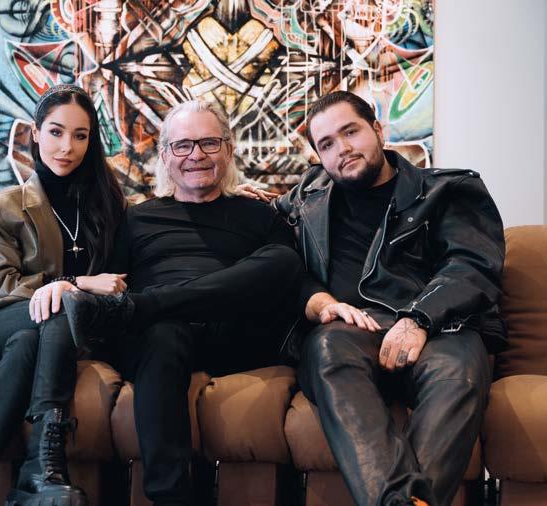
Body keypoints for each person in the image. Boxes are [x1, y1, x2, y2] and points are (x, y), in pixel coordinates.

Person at [266, 91, 505, 506]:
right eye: (327, 144)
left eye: (350, 132)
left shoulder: (447, 190)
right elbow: (272, 252)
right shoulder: (306, 200)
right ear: (319, 158)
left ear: (377, 130)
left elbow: (472, 265)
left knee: (458, 374)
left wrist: (419, 318)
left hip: (440, 329)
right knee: (325, 349)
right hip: (350, 331)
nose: (342, 149)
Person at [62, 100, 303, 505]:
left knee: (284, 259)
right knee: (163, 331)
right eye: (183, 145)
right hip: (160, 341)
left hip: (236, 335)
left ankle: (148, 305)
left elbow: (283, 279)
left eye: (209, 143)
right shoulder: (135, 219)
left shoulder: (260, 214)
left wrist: (144, 304)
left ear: (228, 149)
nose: (196, 155)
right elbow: (109, 284)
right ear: (164, 155)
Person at [0, 84, 127, 506]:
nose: (67, 147)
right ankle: (43, 466)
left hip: (42, 333)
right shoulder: (2, 206)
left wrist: (228, 195)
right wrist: (72, 284)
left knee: (30, 339)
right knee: (59, 306)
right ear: (35, 134)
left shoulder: (110, 206)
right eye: (56, 132)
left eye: (80, 135)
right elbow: (0, 284)